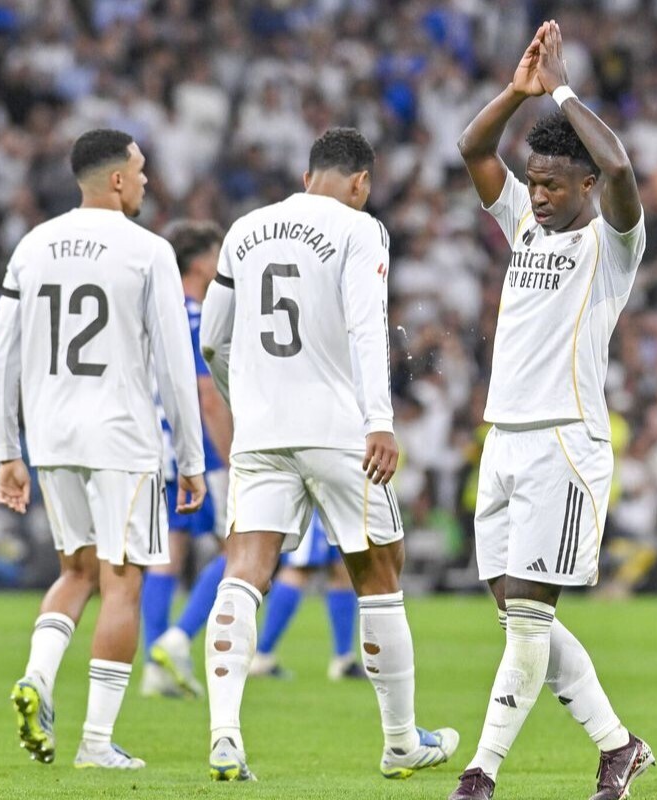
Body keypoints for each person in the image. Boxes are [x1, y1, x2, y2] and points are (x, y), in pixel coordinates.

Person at [198, 126, 458, 782]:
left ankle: (224, 734)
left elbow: (212, 342)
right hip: (338, 429)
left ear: (308, 173)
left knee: (244, 571)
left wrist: (243, 398)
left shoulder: (244, 230)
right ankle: (400, 741)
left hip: (261, 431)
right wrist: (381, 422)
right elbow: (369, 326)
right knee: (379, 571)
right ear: (361, 182)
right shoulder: (359, 229)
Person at [450, 21, 651, 800]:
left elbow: (622, 164)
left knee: (530, 618)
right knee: (515, 616)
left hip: (564, 443)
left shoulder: (612, 246)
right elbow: (472, 148)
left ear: (586, 187)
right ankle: (619, 747)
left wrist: (563, 86)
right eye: (533, 181)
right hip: (502, 440)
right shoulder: (524, 226)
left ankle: (481, 773)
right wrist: (517, 91)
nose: (537, 194)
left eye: (554, 185)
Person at [0, 129, 206, 769]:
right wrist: (191, 459)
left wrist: (7, 449)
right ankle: (96, 741)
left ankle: (37, 676)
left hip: (52, 436)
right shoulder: (149, 251)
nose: (146, 181)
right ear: (116, 179)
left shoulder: (33, 245)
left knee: (75, 572)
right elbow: (175, 365)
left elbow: (2, 355)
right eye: (140, 170)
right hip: (122, 437)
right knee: (122, 581)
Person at [141, 219, 233, 700]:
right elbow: (206, 395)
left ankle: (154, 668)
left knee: (166, 555)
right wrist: (232, 454)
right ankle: (177, 640)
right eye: (216, 254)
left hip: (153, 446)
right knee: (242, 548)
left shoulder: (154, 312)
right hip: (198, 450)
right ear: (198, 262)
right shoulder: (194, 315)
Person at [249, 509, 365, 681]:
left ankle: (344, 660)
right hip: (314, 499)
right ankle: (261, 656)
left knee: (342, 569)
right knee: (299, 567)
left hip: (339, 501)